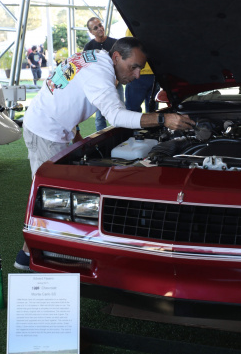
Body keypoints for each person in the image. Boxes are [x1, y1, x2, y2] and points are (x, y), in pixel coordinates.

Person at [14, 37, 194, 269]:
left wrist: (76, 133)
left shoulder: (95, 58)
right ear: (116, 57)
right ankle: (28, 257)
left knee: (55, 194)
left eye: (140, 68)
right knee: (49, 197)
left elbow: (68, 93)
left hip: (54, 126)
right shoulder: (99, 71)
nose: (137, 75)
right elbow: (116, 116)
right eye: (134, 67)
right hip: (46, 131)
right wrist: (163, 119)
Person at [82, 16, 116, 131]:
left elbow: (120, 65)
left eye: (100, 25)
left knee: (119, 111)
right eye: (95, 28)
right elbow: (87, 68)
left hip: (115, 84)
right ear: (91, 32)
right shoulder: (89, 47)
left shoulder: (115, 43)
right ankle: (101, 139)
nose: (100, 28)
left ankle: (120, 137)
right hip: (99, 87)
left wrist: (116, 81)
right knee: (100, 117)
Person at [124, 28, 156, 114]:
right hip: (155, 74)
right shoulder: (157, 26)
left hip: (138, 73)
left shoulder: (132, 26)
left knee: (132, 111)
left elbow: (128, 49)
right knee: (153, 112)